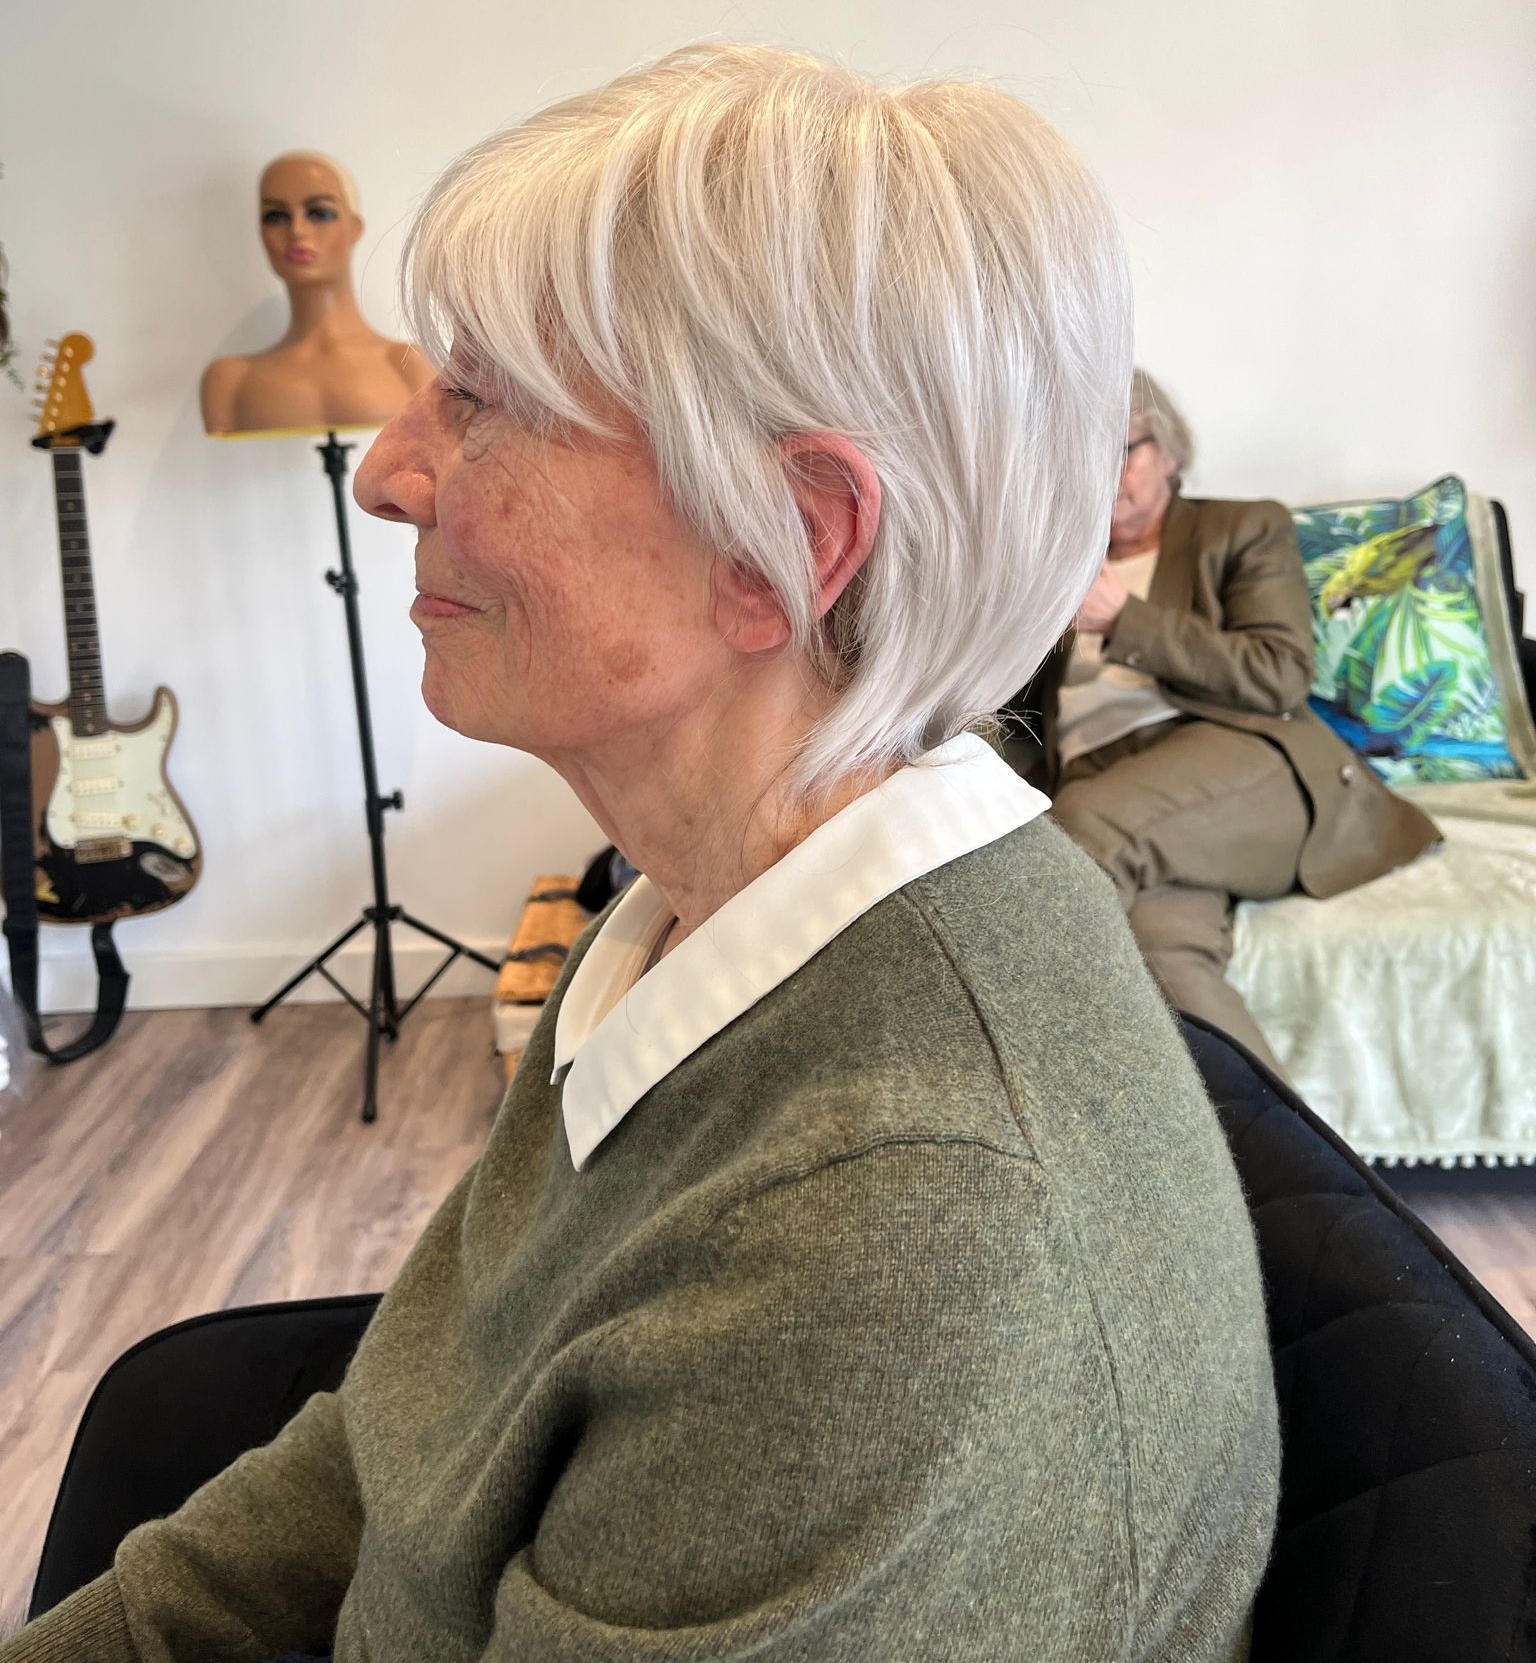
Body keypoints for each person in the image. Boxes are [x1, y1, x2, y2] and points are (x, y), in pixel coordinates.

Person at [6, 47, 1278, 1662]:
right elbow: (404, 1441)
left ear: (787, 539)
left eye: (477, 399)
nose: (394, 473)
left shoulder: (890, 1257)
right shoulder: (701, 927)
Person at [999, 371, 1439, 1073]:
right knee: (1169, 961)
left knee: (1081, 830)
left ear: (1169, 452)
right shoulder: (1055, 565)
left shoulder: (1241, 528)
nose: (1100, 473)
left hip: (1236, 760)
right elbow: (1012, 713)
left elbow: (1277, 672)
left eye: (1120, 450)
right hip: (1114, 784)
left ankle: (1013, 1083)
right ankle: (1296, 1180)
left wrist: (1125, 619)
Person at [200, 151, 432, 435]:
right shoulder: (229, 382)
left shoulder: (410, 366)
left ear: (354, 228)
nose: (297, 231)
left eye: (320, 213)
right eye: (275, 216)